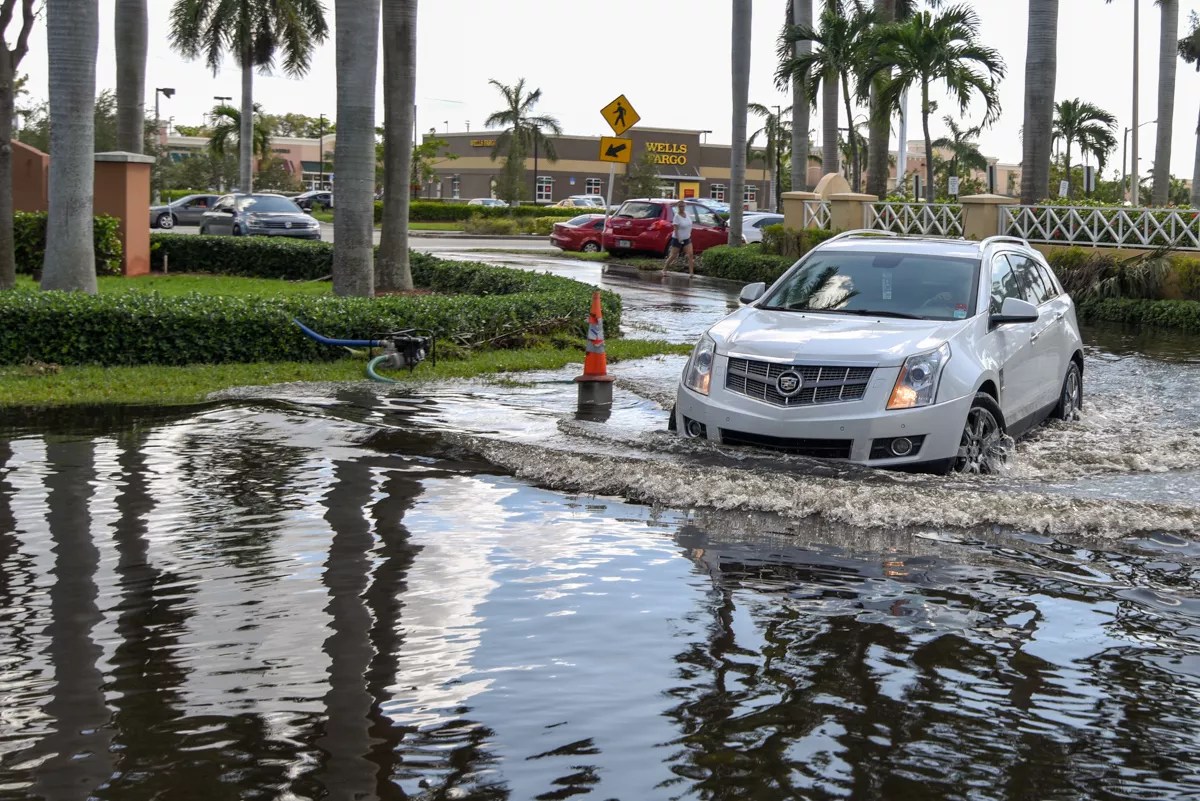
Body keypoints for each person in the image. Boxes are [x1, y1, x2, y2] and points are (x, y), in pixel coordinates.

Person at [663, 200, 695, 275]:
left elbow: (689, 224)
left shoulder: (687, 214)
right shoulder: (677, 217)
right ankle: (664, 269)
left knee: (690, 255)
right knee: (673, 255)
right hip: (677, 239)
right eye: (680, 206)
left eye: (683, 206)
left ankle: (691, 273)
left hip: (687, 238)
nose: (682, 208)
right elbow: (675, 229)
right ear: (678, 207)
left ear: (685, 206)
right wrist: (679, 238)